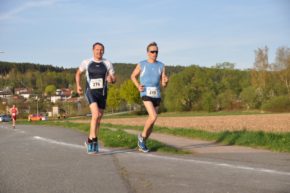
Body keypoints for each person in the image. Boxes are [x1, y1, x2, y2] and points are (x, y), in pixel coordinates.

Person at [75, 42, 116, 154]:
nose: (99, 52)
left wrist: (111, 79)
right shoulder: (86, 62)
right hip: (90, 92)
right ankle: (94, 141)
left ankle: (90, 140)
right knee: (95, 114)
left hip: (102, 94)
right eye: (97, 49)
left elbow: (113, 79)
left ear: (104, 51)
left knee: (98, 119)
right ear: (93, 50)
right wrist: (78, 86)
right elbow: (78, 73)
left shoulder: (107, 63)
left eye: (101, 50)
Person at [131, 42, 168, 152]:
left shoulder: (161, 65)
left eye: (156, 52)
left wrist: (166, 81)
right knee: (153, 116)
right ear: (148, 53)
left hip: (156, 94)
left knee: (152, 122)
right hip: (145, 93)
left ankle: (142, 143)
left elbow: (164, 84)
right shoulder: (142, 64)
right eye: (152, 51)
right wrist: (138, 86)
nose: (155, 53)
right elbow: (133, 76)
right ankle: (141, 137)